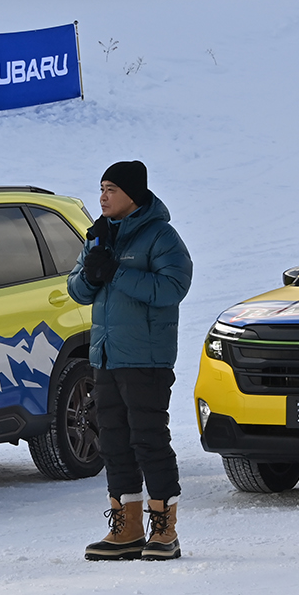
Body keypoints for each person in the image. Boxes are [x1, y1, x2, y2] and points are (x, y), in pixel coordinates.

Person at [67, 161, 193, 560]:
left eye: (111, 190)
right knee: (114, 442)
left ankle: (164, 529)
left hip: (146, 359)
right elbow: (77, 290)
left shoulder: (161, 236)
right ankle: (127, 528)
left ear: (132, 195)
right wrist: (93, 269)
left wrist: (115, 272)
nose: (102, 197)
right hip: (106, 356)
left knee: (148, 440)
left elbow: (173, 286)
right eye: (101, 188)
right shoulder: (99, 236)